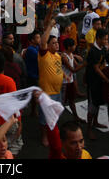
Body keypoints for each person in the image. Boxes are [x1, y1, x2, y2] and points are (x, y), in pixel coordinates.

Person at [38, 10, 64, 146]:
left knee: (54, 115)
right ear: (48, 46)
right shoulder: (44, 55)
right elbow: (42, 42)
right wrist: (49, 26)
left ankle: (52, 132)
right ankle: (44, 136)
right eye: (53, 43)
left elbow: (58, 69)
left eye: (57, 42)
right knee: (44, 117)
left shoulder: (58, 56)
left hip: (58, 91)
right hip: (47, 92)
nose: (56, 44)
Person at [85, 28, 109, 140]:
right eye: (104, 39)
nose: (106, 41)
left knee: (98, 102)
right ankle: (89, 129)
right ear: (98, 38)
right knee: (92, 106)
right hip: (93, 81)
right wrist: (107, 79)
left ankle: (96, 122)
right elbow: (96, 68)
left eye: (107, 39)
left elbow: (103, 62)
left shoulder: (103, 48)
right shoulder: (93, 51)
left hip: (100, 81)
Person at [60, 38, 85, 123]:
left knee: (71, 100)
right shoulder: (64, 57)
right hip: (64, 83)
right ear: (69, 47)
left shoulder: (70, 54)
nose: (75, 46)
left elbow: (76, 65)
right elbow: (73, 70)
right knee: (61, 103)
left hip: (70, 81)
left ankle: (76, 117)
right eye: (74, 45)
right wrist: (85, 64)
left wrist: (82, 63)